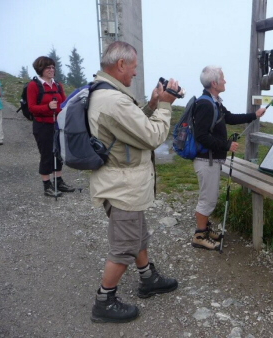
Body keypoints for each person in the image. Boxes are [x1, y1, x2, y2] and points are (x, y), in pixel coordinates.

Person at [88, 41, 179, 324]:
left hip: (122, 181)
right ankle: (104, 301)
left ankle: (148, 278)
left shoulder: (107, 92)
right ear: (121, 65)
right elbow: (152, 137)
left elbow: (129, 127)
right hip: (122, 186)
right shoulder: (113, 100)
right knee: (124, 245)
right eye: (134, 67)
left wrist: (150, 105)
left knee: (137, 234)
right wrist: (165, 106)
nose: (135, 74)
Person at [192, 66, 266, 250]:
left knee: (211, 196)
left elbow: (230, 118)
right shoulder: (205, 105)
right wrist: (226, 145)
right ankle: (199, 236)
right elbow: (200, 136)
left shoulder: (214, 101)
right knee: (207, 198)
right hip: (205, 159)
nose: (226, 81)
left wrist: (254, 115)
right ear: (214, 83)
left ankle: (205, 230)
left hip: (211, 159)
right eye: (223, 79)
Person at [28, 56, 75, 197]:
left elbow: (64, 103)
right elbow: (31, 108)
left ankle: (58, 181)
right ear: (40, 69)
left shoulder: (57, 85)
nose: (51, 70)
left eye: (53, 67)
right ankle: (47, 185)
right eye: (48, 67)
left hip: (57, 125)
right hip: (42, 125)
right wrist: (47, 107)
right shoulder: (34, 86)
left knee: (59, 153)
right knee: (47, 154)